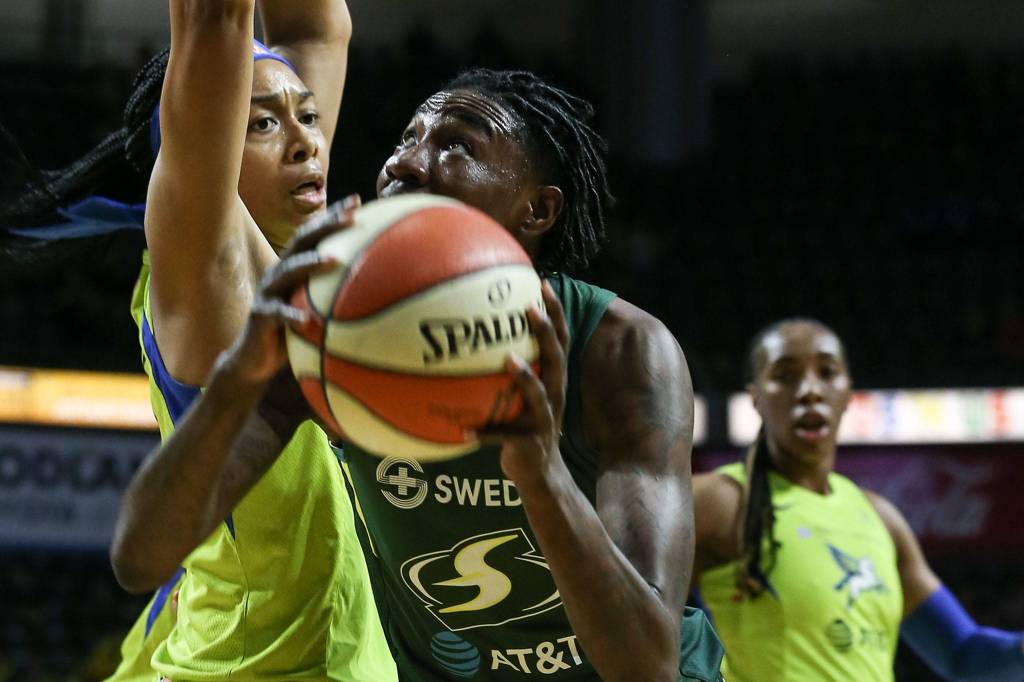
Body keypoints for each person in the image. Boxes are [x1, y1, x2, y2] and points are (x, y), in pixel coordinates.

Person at [110, 69, 726, 681]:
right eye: (406, 139)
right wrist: (241, 377)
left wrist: (542, 477)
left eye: (456, 144)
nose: (405, 163)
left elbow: (648, 665)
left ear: (536, 209)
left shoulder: (621, 353)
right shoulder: (340, 337)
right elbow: (142, 556)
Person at [2, 1, 395, 680]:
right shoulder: (211, 271)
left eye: (308, 115)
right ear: (198, 153)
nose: (307, 140)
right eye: (264, 124)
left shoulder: (291, 253)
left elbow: (314, 28)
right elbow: (215, 22)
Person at [693, 317, 1024, 681]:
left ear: (849, 392)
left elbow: (964, 655)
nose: (809, 391)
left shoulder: (880, 518)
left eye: (827, 372)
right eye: (785, 375)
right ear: (755, 396)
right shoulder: (718, 501)